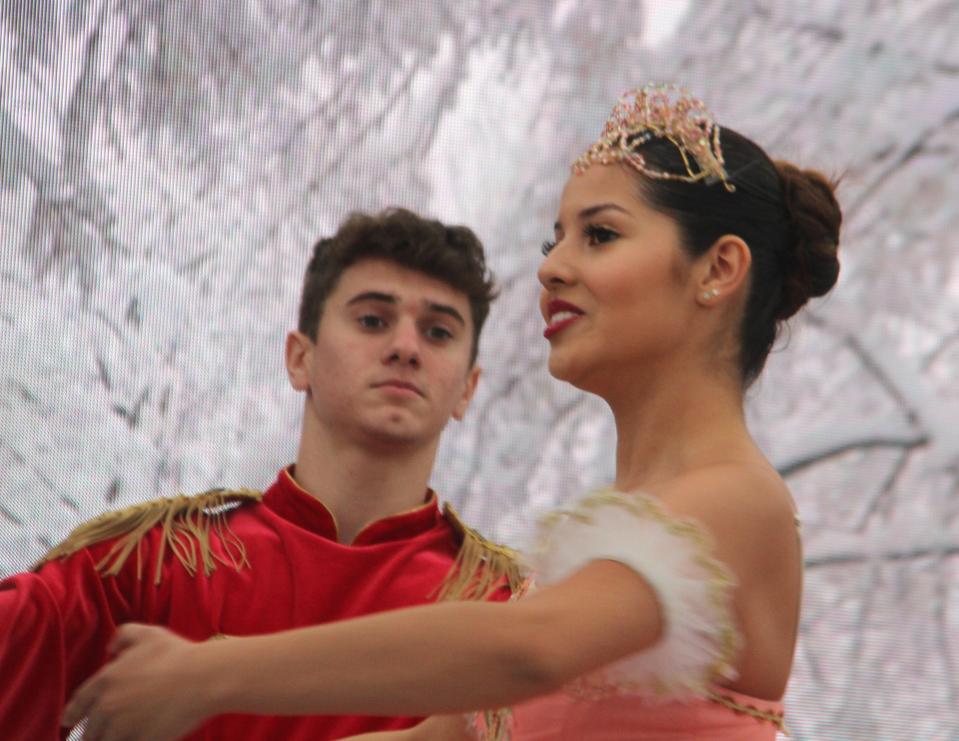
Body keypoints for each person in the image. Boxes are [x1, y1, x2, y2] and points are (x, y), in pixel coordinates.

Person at [64, 84, 843, 741]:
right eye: (555, 237)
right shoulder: (587, 572)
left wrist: (209, 670)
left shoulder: (738, 501)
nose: (550, 266)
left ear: (718, 268)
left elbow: (532, 647)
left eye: (599, 235)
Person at [0, 208, 521, 740]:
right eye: (372, 320)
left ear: (468, 388)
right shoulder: (152, 565)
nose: (406, 348)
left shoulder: (510, 616)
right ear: (300, 358)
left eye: (437, 332)